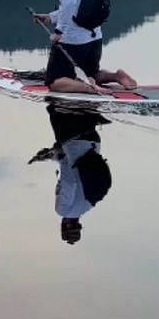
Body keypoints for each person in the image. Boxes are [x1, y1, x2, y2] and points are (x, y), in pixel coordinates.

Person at [28, 104, 112, 245]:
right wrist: (58, 154)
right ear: (64, 226)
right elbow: (69, 181)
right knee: (54, 107)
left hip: (93, 141)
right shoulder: (63, 210)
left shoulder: (88, 205)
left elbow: (76, 172)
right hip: (74, 139)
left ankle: (90, 113)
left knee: (75, 108)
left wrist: (51, 157)